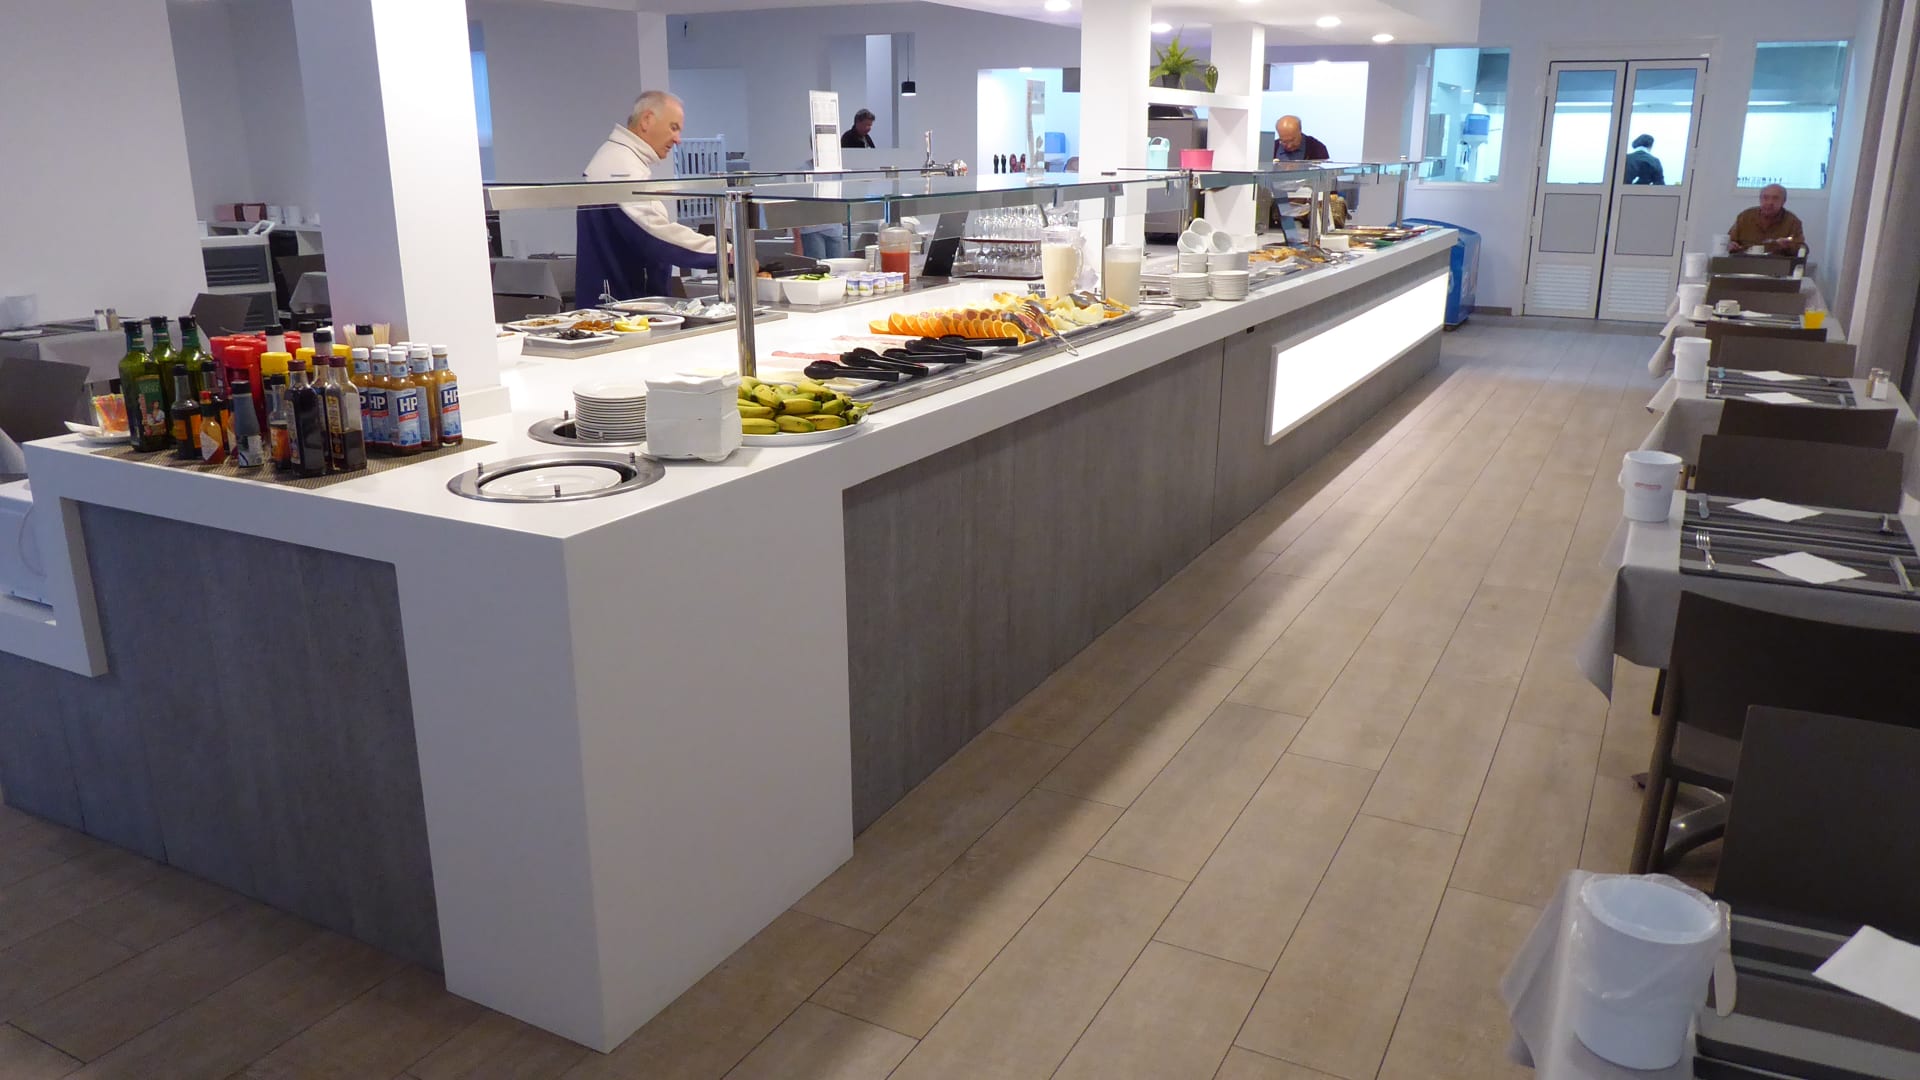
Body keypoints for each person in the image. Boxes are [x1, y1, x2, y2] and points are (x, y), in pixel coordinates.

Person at [575, 90, 718, 300]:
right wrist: (726, 253)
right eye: (673, 127)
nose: (678, 139)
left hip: (620, 304)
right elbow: (655, 235)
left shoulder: (620, 159)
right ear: (647, 120)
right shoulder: (620, 165)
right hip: (620, 307)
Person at [1728, 183, 1805, 255]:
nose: (1769, 202)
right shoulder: (1745, 217)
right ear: (1760, 199)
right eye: (1765, 197)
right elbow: (1729, 240)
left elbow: (1802, 249)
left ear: (1783, 201)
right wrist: (1731, 245)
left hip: (1776, 263)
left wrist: (1788, 246)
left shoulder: (1792, 222)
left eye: (1775, 198)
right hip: (1745, 261)